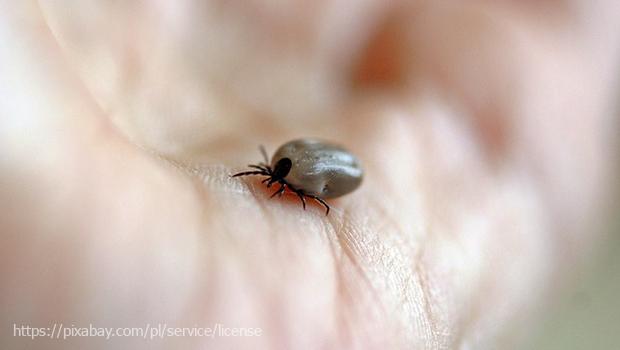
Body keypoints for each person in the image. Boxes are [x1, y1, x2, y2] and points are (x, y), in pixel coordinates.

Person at [1, 1, 618, 348]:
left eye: (273, 177)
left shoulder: (294, 169)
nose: (269, 182)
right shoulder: (291, 169)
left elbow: (308, 173)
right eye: (274, 177)